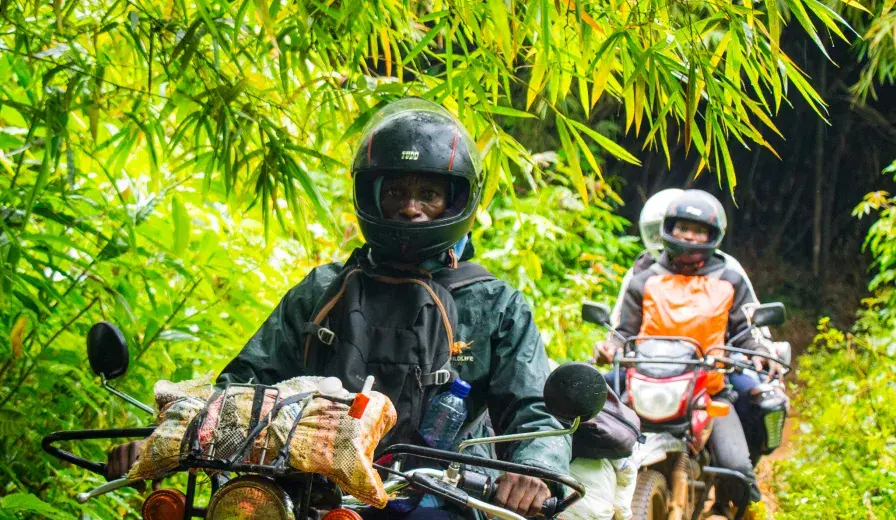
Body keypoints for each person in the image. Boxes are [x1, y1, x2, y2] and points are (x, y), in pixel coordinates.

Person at [106, 99, 569, 519]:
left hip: (441, 495)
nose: (410, 208)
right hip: (305, 494)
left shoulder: (496, 305)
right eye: (396, 192)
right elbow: (245, 386)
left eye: (428, 194)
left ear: (456, 200)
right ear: (372, 195)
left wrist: (534, 471)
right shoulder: (322, 289)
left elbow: (533, 409)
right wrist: (168, 438)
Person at [605, 189, 765, 516]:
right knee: (597, 434)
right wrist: (611, 347)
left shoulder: (730, 279)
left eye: (698, 230)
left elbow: (746, 330)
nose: (689, 236)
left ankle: (729, 507)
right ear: (668, 229)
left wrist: (758, 350)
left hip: (708, 391)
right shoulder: (644, 279)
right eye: (683, 228)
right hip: (646, 387)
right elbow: (624, 332)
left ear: (712, 236)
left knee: (737, 469)